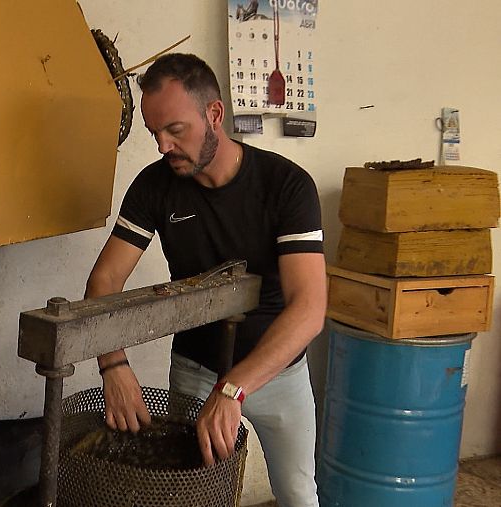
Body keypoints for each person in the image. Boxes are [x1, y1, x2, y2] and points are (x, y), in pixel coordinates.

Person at [85, 53, 325, 506]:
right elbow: (104, 280)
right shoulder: (155, 185)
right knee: (191, 495)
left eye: (175, 130)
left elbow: (309, 309)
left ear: (214, 115)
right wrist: (112, 365)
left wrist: (234, 387)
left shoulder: (287, 186)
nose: (162, 147)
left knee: (297, 493)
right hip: (197, 369)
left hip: (277, 372)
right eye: (154, 133)